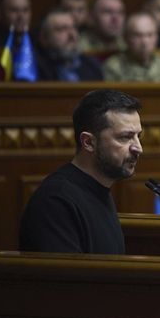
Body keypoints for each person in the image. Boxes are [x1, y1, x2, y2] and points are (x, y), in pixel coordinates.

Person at [19, 89, 143, 254]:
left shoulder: (99, 188)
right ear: (88, 142)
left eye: (138, 137)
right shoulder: (55, 201)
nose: (138, 148)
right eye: (125, 137)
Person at [103, 12, 160, 82]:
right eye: (138, 35)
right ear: (125, 38)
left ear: (157, 37)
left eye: (150, 35)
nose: (145, 42)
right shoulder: (113, 68)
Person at [36, 9, 103, 81]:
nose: (72, 35)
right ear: (44, 38)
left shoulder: (91, 65)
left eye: (73, 27)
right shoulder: (36, 67)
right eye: (62, 29)